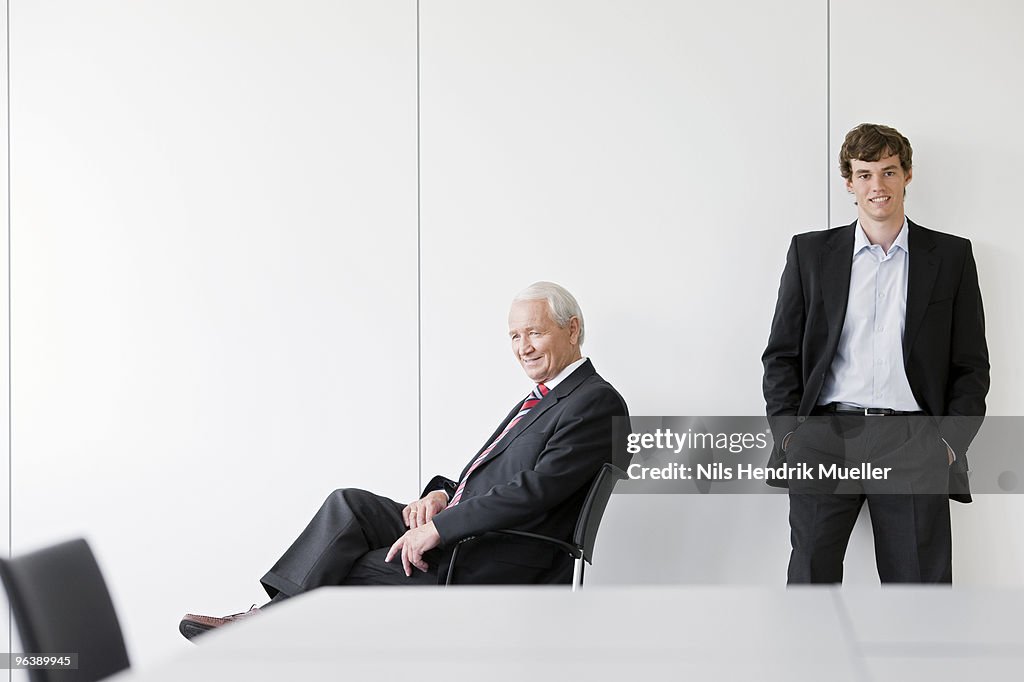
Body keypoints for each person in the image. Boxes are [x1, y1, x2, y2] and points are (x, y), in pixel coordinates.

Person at [180, 281, 629, 639]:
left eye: (534, 332)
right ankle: (271, 620)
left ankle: (267, 631)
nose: (523, 346)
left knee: (342, 565)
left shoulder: (595, 401)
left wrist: (440, 528)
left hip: (491, 557)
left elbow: (536, 492)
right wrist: (439, 496)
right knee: (349, 505)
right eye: (514, 335)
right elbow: (486, 477)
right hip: (464, 533)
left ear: (572, 330)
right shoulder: (542, 399)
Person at [762, 123, 989, 584]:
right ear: (849, 182)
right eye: (864, 175)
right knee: (810, 581)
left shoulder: (950, 257)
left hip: (912, 441)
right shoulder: (810, 253)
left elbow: (971, 365)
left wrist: (947, 444)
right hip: (824, 435)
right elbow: (781, 355)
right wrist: (791, 435)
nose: (877, 186)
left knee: (918, 590)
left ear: (907, 175)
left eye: (888, 172)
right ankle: (807, 659)